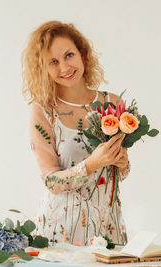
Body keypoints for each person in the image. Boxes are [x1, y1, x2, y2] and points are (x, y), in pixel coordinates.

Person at [21, 21, 130, 246]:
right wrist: (91, 164)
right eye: (53, 62)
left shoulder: (113, 104)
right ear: (43, 68)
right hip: (60, 235)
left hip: (107, 232)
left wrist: (122, 163)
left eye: (69, 55)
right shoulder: (42, 111)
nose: (64, 67)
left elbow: (121, 173)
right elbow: (51, 181)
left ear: (82, 54)